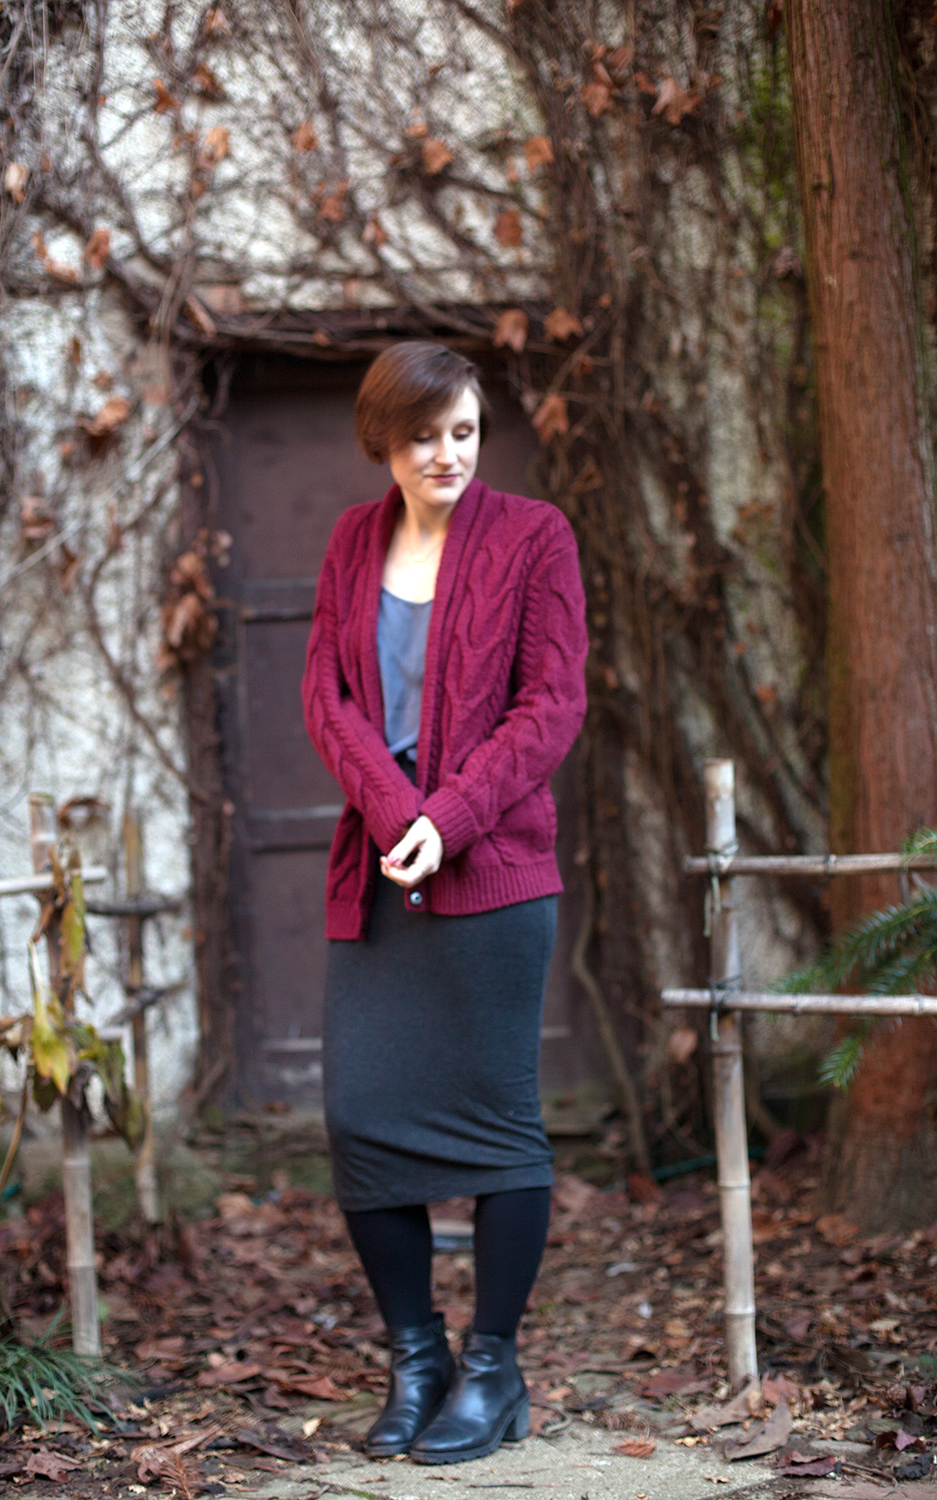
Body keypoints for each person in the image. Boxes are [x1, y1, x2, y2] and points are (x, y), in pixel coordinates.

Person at [302, 341, 587, 1465]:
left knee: (497, 1125)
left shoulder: (534, 535)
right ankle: (416, 1358)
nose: (447, 454)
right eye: (424, 436)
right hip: (378, 870)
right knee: (361, 1117)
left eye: (463, 431)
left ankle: (493, 1370)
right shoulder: (349, 541)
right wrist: (393, 814)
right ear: (384, 440)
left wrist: (451, 817)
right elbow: (326, 697)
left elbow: (551, 703)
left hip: (495, 868)